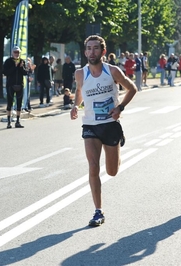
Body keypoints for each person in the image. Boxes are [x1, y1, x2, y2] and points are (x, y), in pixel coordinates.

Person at [70, 35, 137, 226]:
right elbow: (79, 92)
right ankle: (98, 211)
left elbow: (132, 88)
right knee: (93, 166)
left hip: (110, 125)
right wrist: (75, 106)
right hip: (90, 125)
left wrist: (120, 108)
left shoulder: (112, 71)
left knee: (112, 171)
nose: (92, 52)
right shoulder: (80, 74)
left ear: (103, 51)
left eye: (96, 48)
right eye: (89, 48)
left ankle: (118, 142)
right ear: (85, 52)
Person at [2, 46, 28, 128]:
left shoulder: (22, 61)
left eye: (18, 52)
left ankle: (17, 121)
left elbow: (25, 72)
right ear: (12, 53)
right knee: (9, 103)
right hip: (11, 85)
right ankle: (9, 122)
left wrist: (21, 67)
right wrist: (14, 67)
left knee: (19, 103)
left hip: (20, 85)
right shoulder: (8, 61)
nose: (16, 54)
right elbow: (5, 72)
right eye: (15, 52)